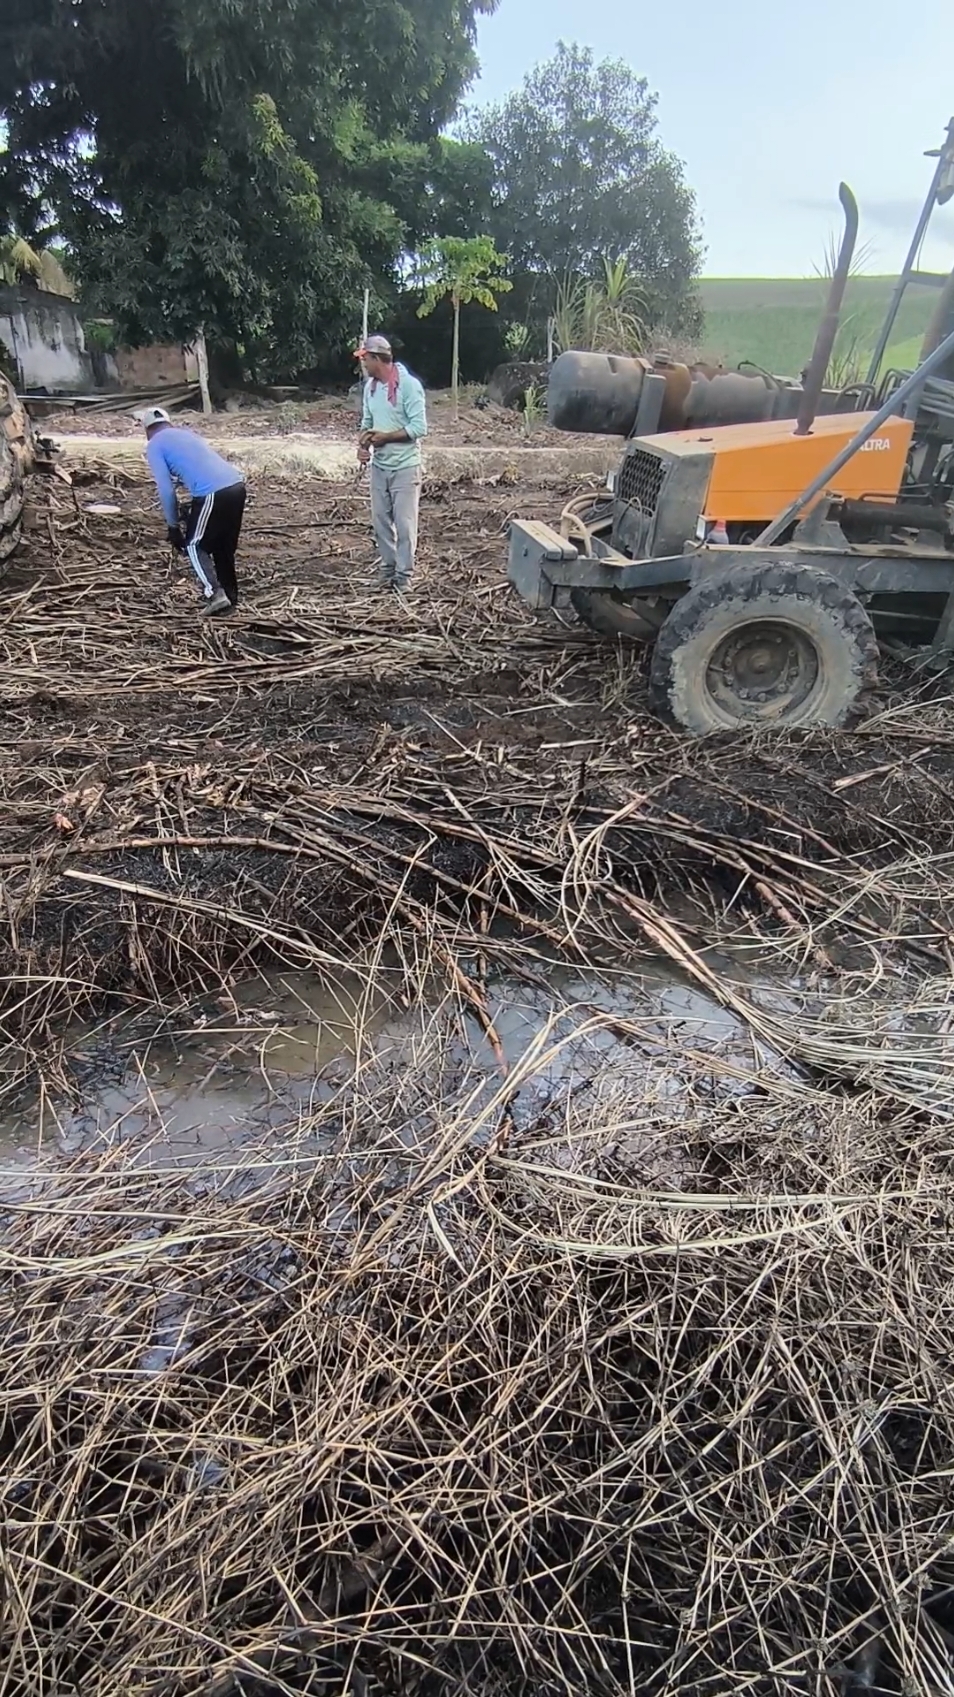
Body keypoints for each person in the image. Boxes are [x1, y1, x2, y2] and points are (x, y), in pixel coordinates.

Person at [140, 407, 246, 616]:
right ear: (169, 424)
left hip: (212, 493)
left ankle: (215, 594)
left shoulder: (154, 445)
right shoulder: (187, 435)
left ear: (147, 430)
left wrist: (173, 526)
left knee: (194, 545)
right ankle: (230, 598)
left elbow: (166, 489)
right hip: (237, 486)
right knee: (222, 547)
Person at [356, 336, 427, 591]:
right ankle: (387, 571)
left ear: (377, 359)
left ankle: (404, 576)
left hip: (405, 467)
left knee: (405, 524)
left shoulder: (409, 386)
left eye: (365, 359)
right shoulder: (370, 388)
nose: (363, 363)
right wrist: (363, 446)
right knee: (381, 522)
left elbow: (419, 427)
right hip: (380, 465)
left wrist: (385, 438)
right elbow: (366, 423)